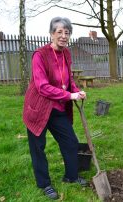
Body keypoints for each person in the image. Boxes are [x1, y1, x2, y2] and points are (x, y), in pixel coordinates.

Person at [23, 17, 87, 200]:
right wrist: (69, 96)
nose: (64, 36)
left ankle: (71, 176)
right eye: (59, 32)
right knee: (38, 147)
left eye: (67, 32)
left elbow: (69, 81)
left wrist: (76, 91)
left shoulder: (66, 54)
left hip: (57, 108)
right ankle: (44, 184)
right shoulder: (40, 55)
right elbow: (42, 86)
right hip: (38, 108)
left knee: (70, 142)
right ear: (51, 34)